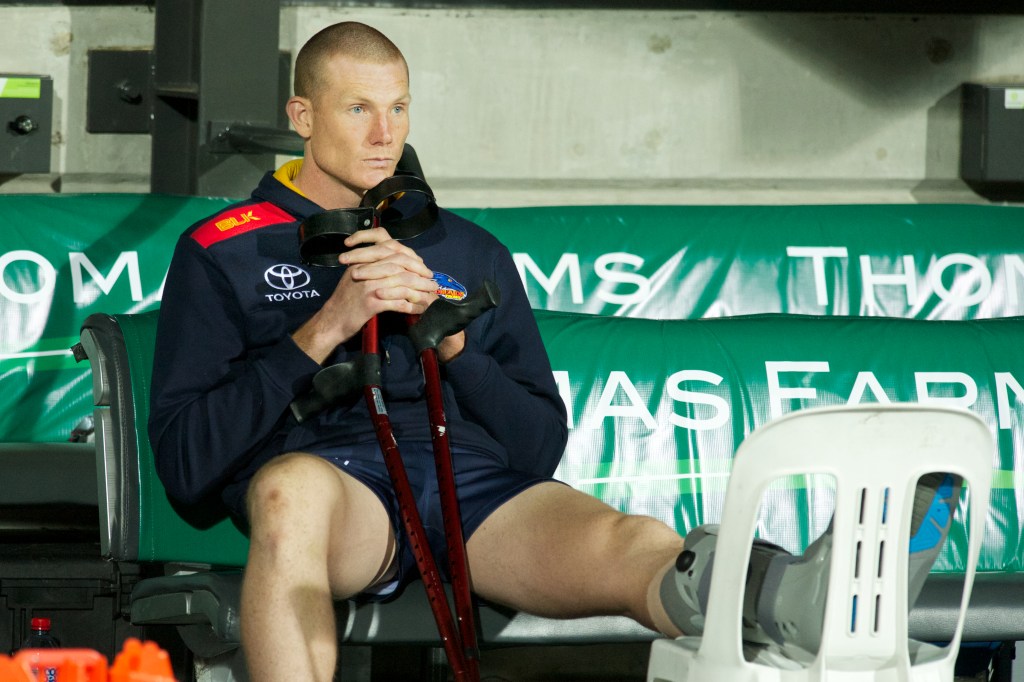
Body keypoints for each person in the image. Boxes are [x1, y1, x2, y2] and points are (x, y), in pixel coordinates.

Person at [148, 21, 962, 681]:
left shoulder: (465, 249)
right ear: (302, 117)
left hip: (471, 489)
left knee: (632, 540)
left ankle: (798, 596)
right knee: (289, 494)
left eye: (398, 109)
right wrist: (327, 325)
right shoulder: (225, 251)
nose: (383, 134)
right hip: (336, 494)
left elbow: (537, 446)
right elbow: (189, 464)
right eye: (358, 109)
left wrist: (458, 343)